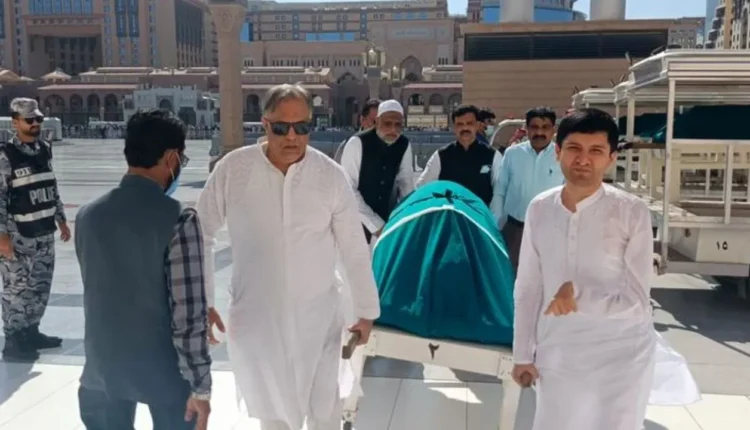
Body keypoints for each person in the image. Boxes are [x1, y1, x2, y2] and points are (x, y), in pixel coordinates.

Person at [195, 84, 380, 430]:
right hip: (258, 322)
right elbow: (200, 232)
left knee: (325, 411)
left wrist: (366, 311)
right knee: (274, 414)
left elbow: (353, 247)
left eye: (302, 127)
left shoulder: (330, 176)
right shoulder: (234, 169)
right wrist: (203, 302)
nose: (292, 136)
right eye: (281, 128)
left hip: (319, 318)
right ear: (265, 124)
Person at [511, 108, 656, 430]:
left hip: (622, 353)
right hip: (559, 349)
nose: (583, 160)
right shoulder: (540, 209)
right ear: (558, 152)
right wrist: (522, 354)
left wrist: (577, 296)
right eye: (574, 148)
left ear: (611, 158)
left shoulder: (631, 211)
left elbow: (637, 301)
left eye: (596, 151)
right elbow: (528, 286)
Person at [74, 110, 212, 430]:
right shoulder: (179, 219)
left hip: (101, 371)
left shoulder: (87, 215)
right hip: (164, 374)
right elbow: (188, 315)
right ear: (171, 158)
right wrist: (200, 386)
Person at [0, 98, 70, 362]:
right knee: (16, 288)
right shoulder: (6, 155)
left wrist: (61, 219)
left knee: (40, 285)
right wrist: (2, 235)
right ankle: (13, 340)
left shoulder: (44, 149)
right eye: (29, 120)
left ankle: (31, 331)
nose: (35, 124)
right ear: (15, 122)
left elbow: (51, 185)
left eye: (38, 119)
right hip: (18, 235)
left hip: (43, 231)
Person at [493, 106, 564, 272]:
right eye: (534, 127)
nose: (539, 132)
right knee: (511, 274)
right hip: (515, 229)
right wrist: (496, 224)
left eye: (545, 127)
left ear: (553, 129)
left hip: (550, 230)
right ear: (526, 128)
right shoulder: (512, 154)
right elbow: (500, 190)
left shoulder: (562, 156)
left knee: (547, 274)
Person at [339, 99, 414, 244]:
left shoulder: (404, 144)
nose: (393, 129)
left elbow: (406, 184)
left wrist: (408, 218)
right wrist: (376, 225)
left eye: (398, 125)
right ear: (377, 121)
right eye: (387, 124)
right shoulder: (357, 143)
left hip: (388, 225)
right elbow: (348, 189)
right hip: (355, 225)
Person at [416, 104, 503, 217]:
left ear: (477, 125)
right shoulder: (441, 155)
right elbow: (422, 187)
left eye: (469, 123)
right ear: (454, 127)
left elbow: (498, 194)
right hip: (449, 220)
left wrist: (492, 222)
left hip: (480, 220)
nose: (465, 128)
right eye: (460, 124)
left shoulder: (493, 156)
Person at [333, 99, 380, 163]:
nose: (378, 126)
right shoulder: (347, 145)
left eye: (383, 122)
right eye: (374, 122)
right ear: (362, 120)